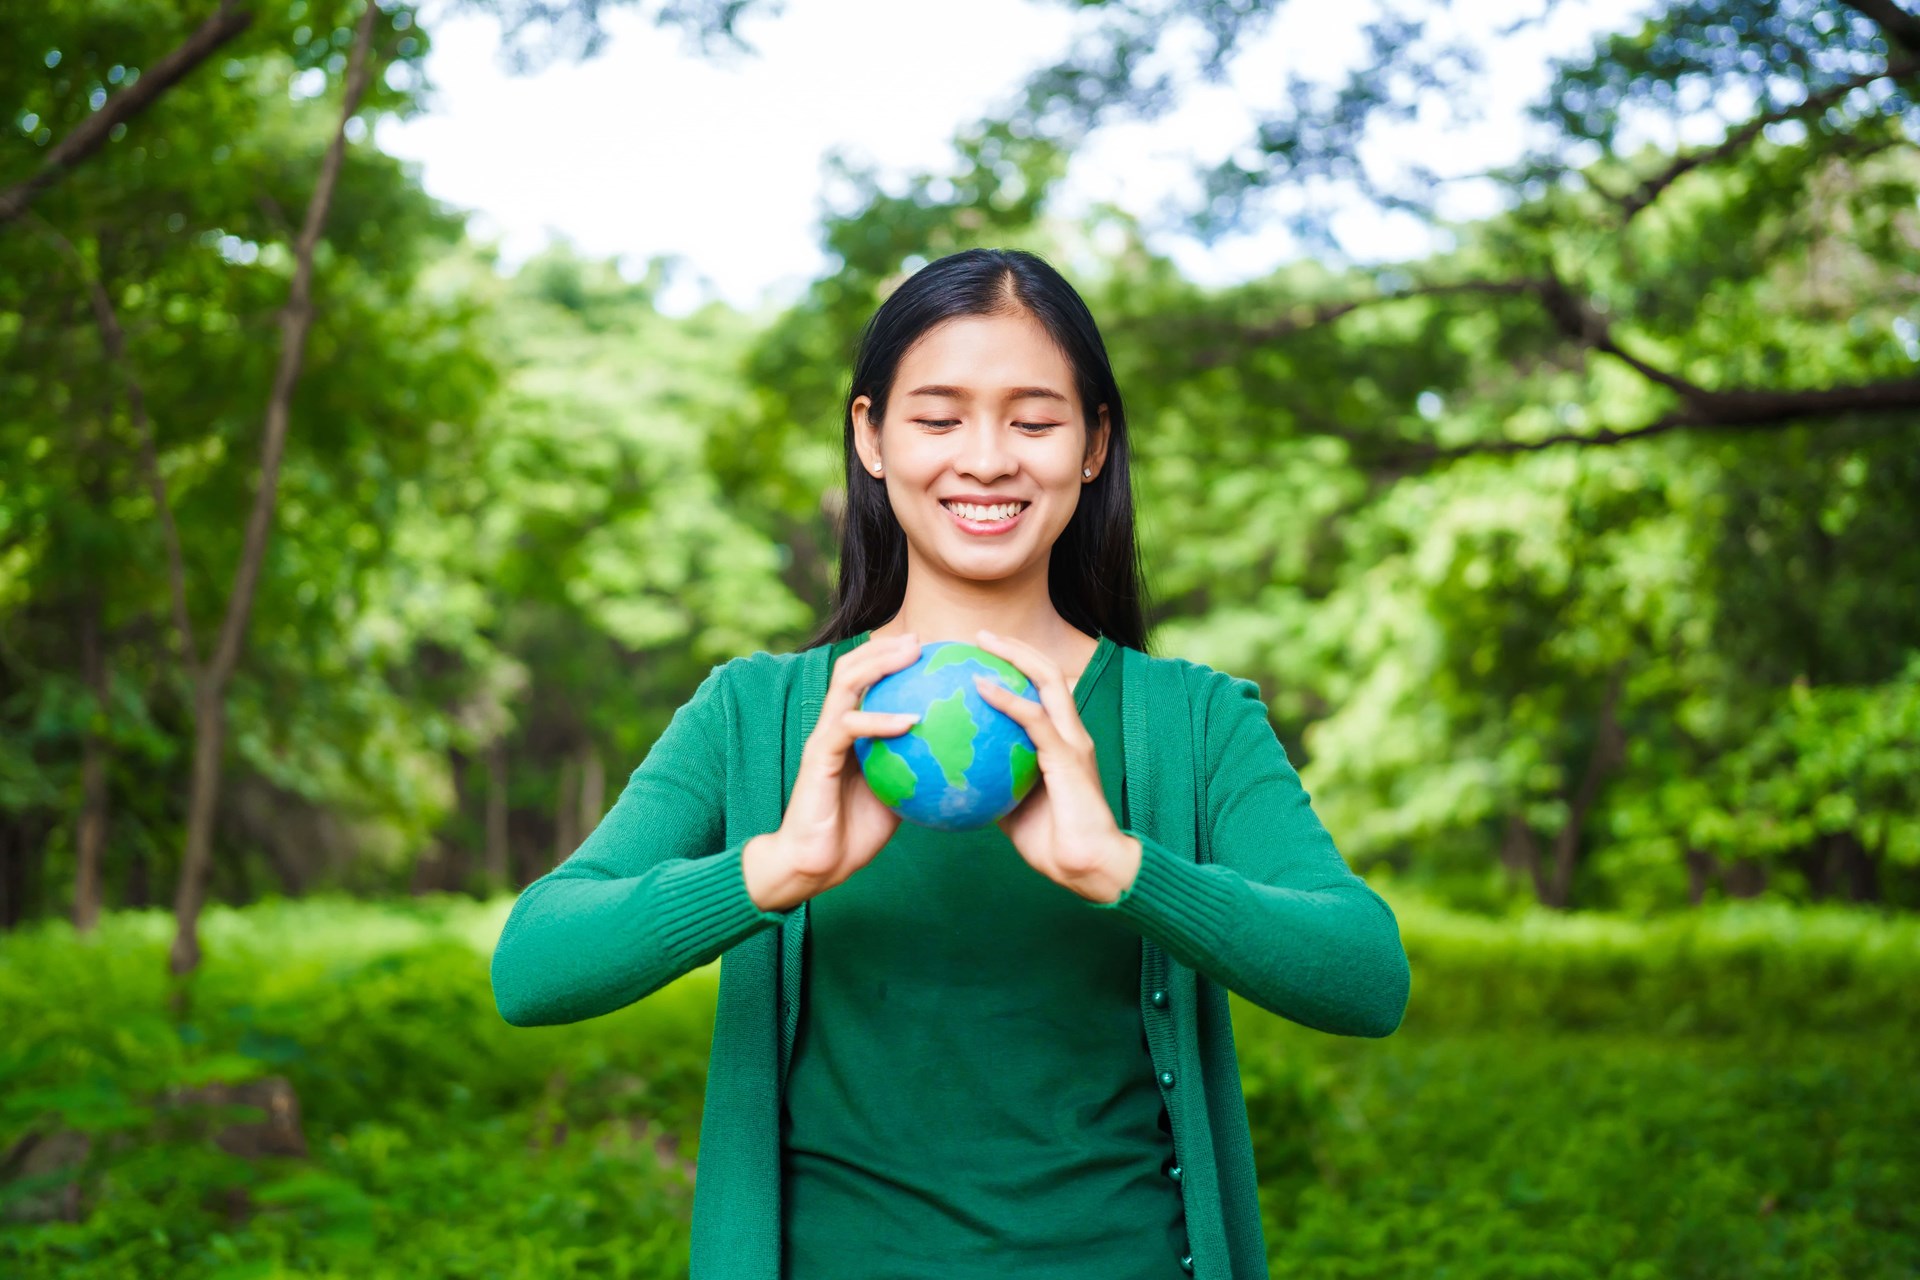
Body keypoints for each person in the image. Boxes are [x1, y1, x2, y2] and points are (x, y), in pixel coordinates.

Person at [490, 248, 1412, 1280]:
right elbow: (532, 967)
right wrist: (775, 868)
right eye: (937, 418)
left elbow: (1368, 975)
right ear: (870, 435)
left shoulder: (1193, 721)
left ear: (1096, 443)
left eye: (1034, 419)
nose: (986, 459)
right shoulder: (756, 712)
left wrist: (1125, 868)